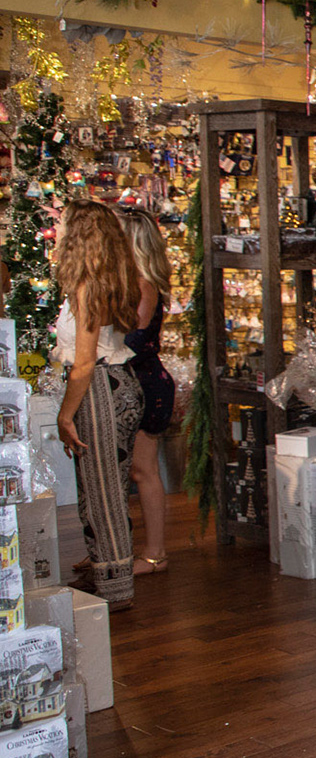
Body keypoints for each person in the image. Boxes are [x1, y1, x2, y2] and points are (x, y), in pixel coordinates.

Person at [52, 201, 143, 610]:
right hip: (120, 382)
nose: (56, 230)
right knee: (106, 487)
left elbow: (84, 362)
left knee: (102, 492)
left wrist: (65, 414)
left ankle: (115, 588)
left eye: (62, 223)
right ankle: (109, 575)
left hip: (101, 390)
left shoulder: (88, 286)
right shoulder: (115, 280)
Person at [120, 208, 175, 576]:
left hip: (144, 383)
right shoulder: (130, 282)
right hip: (133, 380)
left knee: (143, 471)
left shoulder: (143, 285)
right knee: (127, 470)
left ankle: (155, 554)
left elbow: (134, 341)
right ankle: (115, 547)